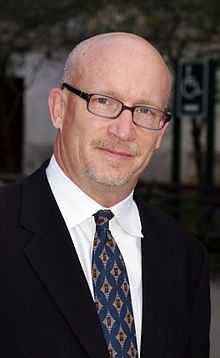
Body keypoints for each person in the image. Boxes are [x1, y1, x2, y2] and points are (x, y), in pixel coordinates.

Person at [0, 32, 210, 358]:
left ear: (161, 133)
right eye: (104, 101)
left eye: (145, 111)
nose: (124, 131)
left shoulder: (185, 259)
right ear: (59, 108)